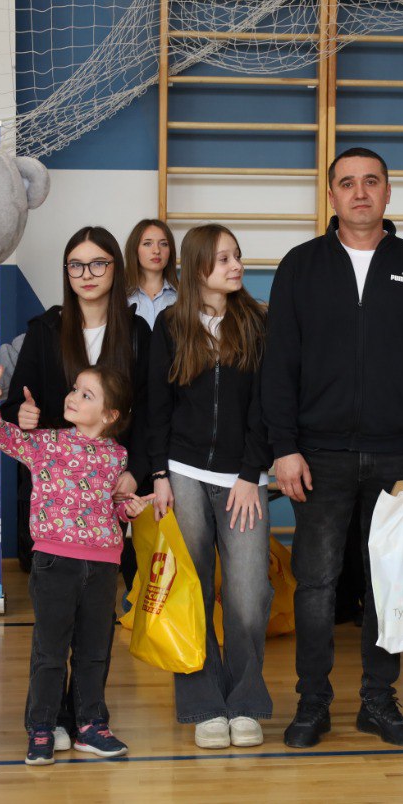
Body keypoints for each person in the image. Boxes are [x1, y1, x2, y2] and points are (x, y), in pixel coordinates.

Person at [262, 147, 403, 748]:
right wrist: (284, 447)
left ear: (388, 193)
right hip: (318, 456)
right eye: (348, 183)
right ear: (332, 196)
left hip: (399, 457)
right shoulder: (300, 267)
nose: (360, 192)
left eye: (372, 182)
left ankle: (378, 701)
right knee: (316, 584)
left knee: (387, 585)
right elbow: (278, 366)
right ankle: (312, 703)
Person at [0, 225, 152, 750]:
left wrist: (138, 471)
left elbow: (151, 412)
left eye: (98, 263)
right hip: (56, 501)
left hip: (111, 492)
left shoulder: (138, 332)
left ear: (116, 269)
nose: (87, 274)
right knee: (54, 630)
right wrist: (20, 414)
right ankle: (49, 721)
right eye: (76, 265)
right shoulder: (45, 328)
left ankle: (85, 719)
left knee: (93, 628)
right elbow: (13, 407)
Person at [0, 363, 149, 766]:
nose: (72, 397)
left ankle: (90, 724)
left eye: (86, 395)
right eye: (74, 389)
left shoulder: (118, 456)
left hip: (102, 568)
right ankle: (42, 726)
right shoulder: (46, 443)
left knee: (94, 651)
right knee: (50, 652)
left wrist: (128, 511)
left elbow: (111, 508)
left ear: (110, 415)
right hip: (55, 563)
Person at [147, 224, 274, 749]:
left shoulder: (259, 323)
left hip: (244, 478)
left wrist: (249, 473)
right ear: (197, 266)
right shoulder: (169, 327)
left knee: (248, 595)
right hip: (183, 473)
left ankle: (244, 702)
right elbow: (156, 407)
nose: (235, 265)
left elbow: (268, 406)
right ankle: (203, 704)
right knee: (191, 591)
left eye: (236, 256)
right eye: (223, 258)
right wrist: (159, 475)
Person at [125, 218, 179, 328]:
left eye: (164, 244)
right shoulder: (120, 294)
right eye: (147, 244)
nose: (157, 251)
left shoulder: (182, 295)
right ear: (134, 249)